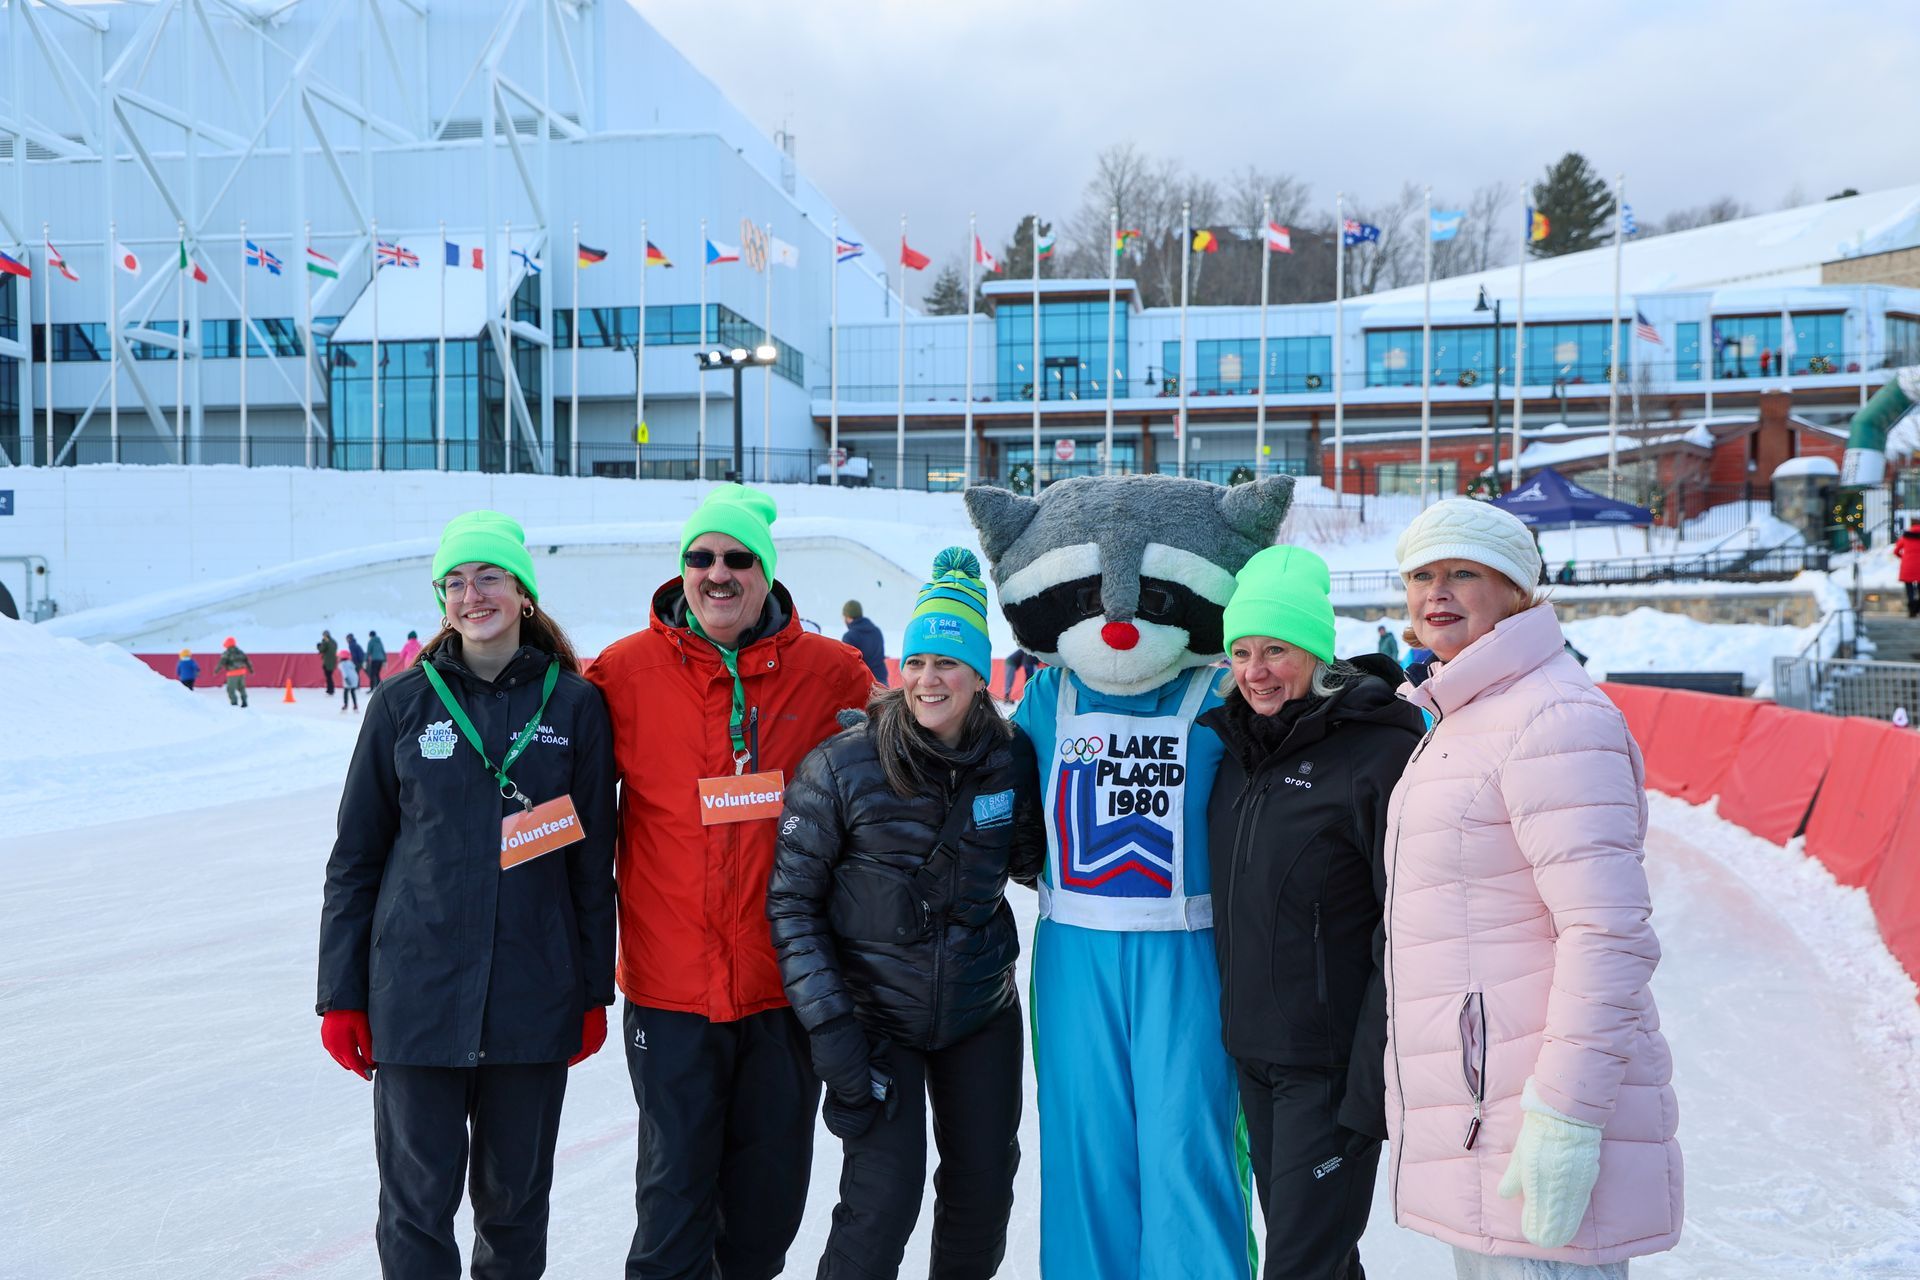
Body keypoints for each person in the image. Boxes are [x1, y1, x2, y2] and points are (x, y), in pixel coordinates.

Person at [1383, 498, 1682, 1278]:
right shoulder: (1466, 710)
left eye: (1464, 574)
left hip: (1530, 1111)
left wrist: (1568, 1118)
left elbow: (1608, 933)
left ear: (1516, 592)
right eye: (1422, 575)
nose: (1437, 593)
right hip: (1483, 1106)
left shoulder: (1555, 717)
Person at [316, 510, 618, 1280]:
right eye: (454, 582)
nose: (470, 594)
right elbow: (355, 860)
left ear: (522, 593)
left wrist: (591, 990)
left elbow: (592, 865)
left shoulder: (576, 706)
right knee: (416, 1207)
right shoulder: (399, 705)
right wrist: (341, 995)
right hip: (414, 997)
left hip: (533, 995)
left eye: (487, 577)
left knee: (515, 1207)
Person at [586, 484, 875, 1280]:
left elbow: (906, 755)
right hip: (671, 993)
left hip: (786, 991)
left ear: (767, 574)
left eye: (738, 558)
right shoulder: (623, 672)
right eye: (701, 557)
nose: (718, 572)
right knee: (673, 1210)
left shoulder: (832, 673)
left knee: (765, 1216)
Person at [769, 548, 1043, 1280]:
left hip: (978, 1010)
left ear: (979, 674)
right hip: (876, 1016)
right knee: (881, 1200)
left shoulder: (1009, 758)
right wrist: (831, 1029)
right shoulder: (842, 766)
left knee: (983, 1193)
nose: (928, 679)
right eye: (917, 661)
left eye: (947, 663)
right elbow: (792, 904)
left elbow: (1030, 859)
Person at [1199, 546, 1423, 1279]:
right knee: (1320, 1259)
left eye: (1276, 649)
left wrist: (1373, 1077)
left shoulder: (1378, 752)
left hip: (1328, 1071)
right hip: (1255, 1055)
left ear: (1316, 651)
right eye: (1241, 651)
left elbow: (1407, 927)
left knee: (1299, 1265)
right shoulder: (1236, 749)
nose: (1256, 670)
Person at [841, 599, 889, 686]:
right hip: (881, 681)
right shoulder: (876, 631)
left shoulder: (849, 637)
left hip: (864, 684)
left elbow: (848, 665)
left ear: (848, 617)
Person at [215, 637, 253, 708]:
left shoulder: (227, 653)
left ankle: (234, 703)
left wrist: (216, 670)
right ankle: (244, 702)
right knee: (242, 688)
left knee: (230, 689)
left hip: (232, 674)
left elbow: (222, 662)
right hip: (242, 673)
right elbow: (247, 661)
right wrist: (251, 670)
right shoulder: (240, 652)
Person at [1895, 519, 1920, 618]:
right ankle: (1917, 607)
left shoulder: (1905, 537)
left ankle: (1911, 610)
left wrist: (1903, 558)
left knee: (1909, 590)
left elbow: (1896, 551)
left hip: (1908, 566)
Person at [338, 648, 361, 713]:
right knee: (352, 692)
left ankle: (345, 705)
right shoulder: (350, 662)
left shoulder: (341, 664)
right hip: (355, 678)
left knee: (345, 692)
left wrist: (346, 679)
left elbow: (344, 672)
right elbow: (354, 668)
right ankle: (355, 705)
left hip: (348, 678)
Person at [318, 630, 339, 695]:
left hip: (327, 662)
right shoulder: (334, 641)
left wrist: (319, 646)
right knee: (329, 676)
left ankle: (330, 689)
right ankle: (330, 689)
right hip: (333, 661)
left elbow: (322, 649)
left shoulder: (326, 641)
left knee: (328, 676)